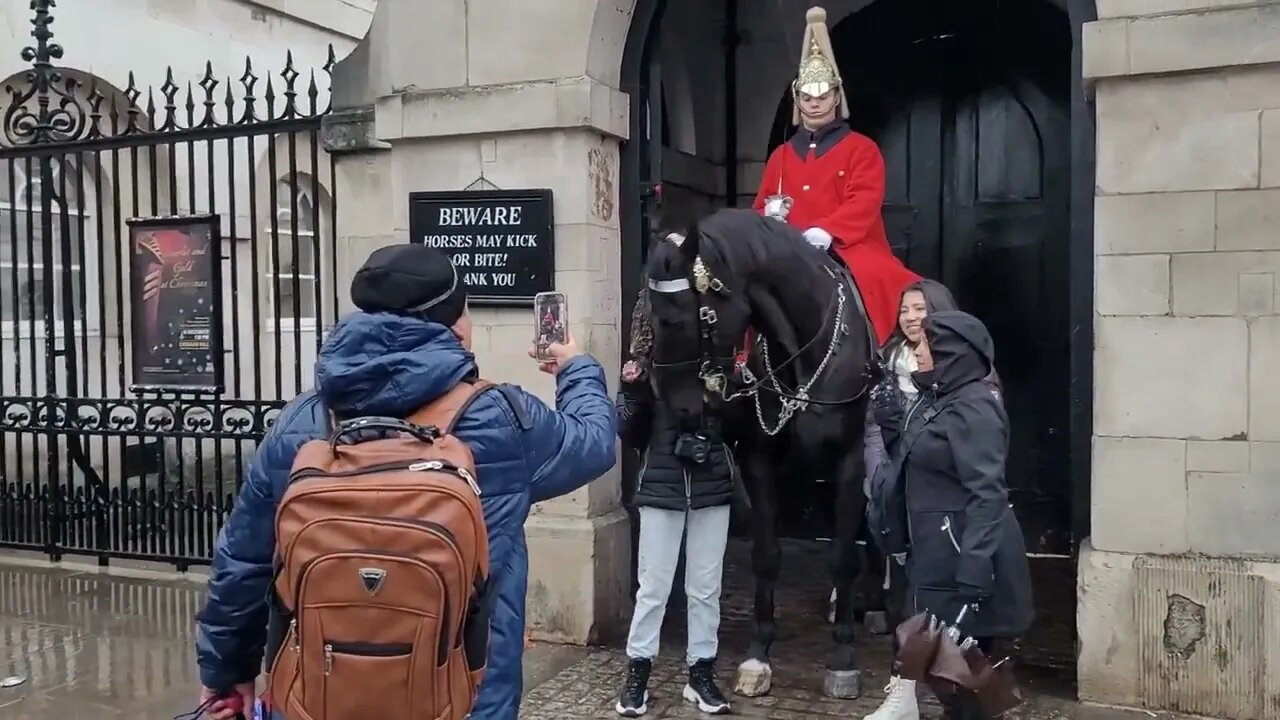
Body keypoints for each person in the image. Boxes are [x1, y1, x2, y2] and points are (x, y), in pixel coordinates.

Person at [193, 244, 617, 720]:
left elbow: (244, 560)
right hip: (465, 700)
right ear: (456, 323)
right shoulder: (499, 418)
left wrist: (226, 671)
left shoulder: (302, 421)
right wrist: (575, 368)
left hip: (317, 697)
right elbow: (594, 443)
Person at [873, 310, 1034, 720]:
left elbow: (987, 492)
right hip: (939, 553)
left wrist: (975, 564)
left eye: (925, 345)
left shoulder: (974, 407)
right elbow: (922, 461)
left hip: (964, 555)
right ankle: (905, 702)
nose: (917, 352)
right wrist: (892, 422)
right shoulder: (940, 399)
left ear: (951, 353)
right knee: (942, 670)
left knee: (963, 680)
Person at [751, 5, 920, 345]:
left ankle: (881, 362)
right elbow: (759, 207)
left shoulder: (861, 148)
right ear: (798, 100)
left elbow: (864, 201)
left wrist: (827, 231)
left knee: (883, 284)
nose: (814, 103)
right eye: (806, 97)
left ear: (835, 96)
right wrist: (769, 225)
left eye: (822, 95)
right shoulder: (781, 156)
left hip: (848, 247)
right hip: (789, 250)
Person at [612, 286, 736, 717]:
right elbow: (628, 432)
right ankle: (638, 673)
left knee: (705, 587)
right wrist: (632, 391)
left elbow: (739, 426)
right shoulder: (648, 368)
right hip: (662, 482)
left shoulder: (719, 364)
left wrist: (725, 393)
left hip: (711, 482)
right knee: (654, 587)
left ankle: (700, 673)